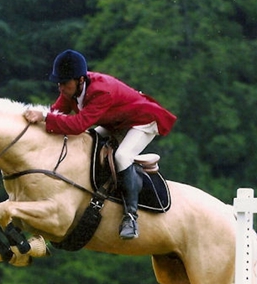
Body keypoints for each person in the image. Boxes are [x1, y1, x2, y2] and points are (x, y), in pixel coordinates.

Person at [24, 49, 177, 240]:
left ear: (80, 80)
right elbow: (56, 114)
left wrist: (44, 117)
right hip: (116, 121)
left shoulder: (101, 91)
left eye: (64, 83)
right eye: (59, 83)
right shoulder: (71, 90)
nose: (61, 88)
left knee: (122, 156)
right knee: (88, 142)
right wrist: (36, 119)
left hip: (143, 120)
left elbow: (77, 124)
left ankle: (131, 217)